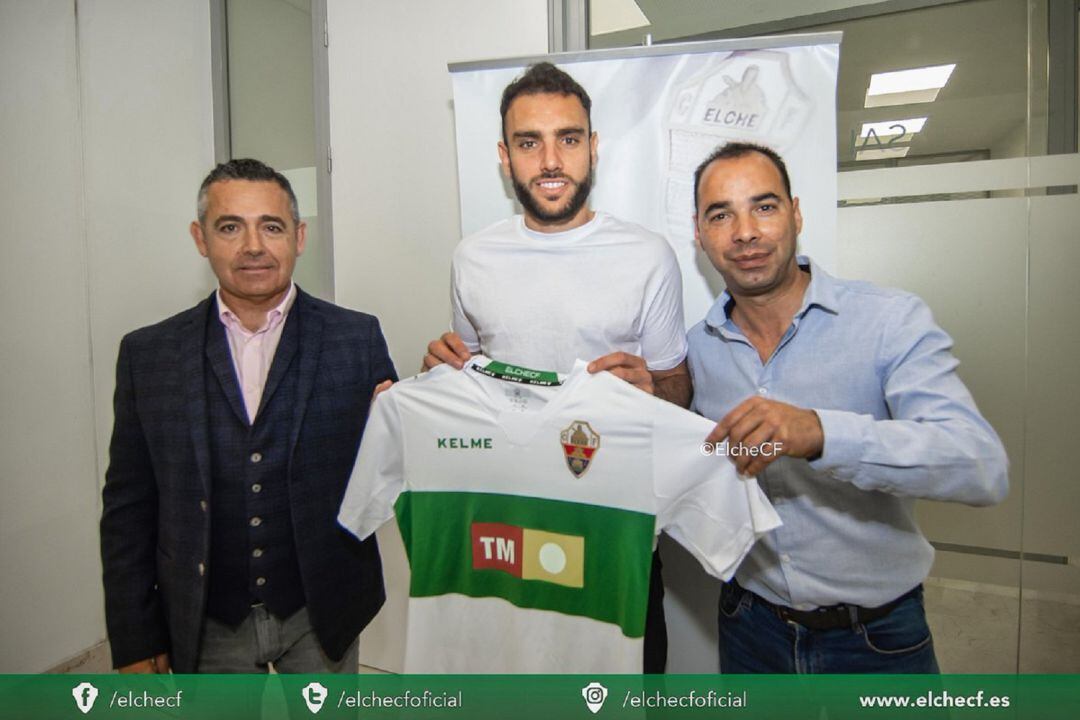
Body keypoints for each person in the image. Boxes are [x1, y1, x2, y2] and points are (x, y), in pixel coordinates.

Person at [688, 141, 1009, 673]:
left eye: (764, 207)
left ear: (796, 214)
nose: (745, 232)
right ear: (700, 235)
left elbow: (982, 467)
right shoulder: (697, 348)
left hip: (878, 637)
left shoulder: (888, 321)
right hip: (749, 625)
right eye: (721, 215)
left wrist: (820, 433)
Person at [423, 62, 690, 672]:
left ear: (593, 147)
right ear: (503, 155)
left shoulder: (648, 256)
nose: (550, 161)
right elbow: (471, 382)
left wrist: (656, 387)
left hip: (615, 531)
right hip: (507, 530)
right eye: (528, 142)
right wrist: (439, 371)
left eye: (568, 139)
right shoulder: (473, 258)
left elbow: (680, 388)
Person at [99, 158, 395, 674]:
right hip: (205, 619)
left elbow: (390, 462)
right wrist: (135, 634)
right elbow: (128, 506)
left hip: (323, 612)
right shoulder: (149, 355)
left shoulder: (357, 339)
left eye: (272, 226)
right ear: (200, 238)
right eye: (230, 227)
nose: (253, 246)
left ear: (299, 236)